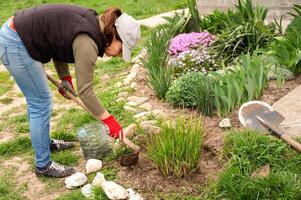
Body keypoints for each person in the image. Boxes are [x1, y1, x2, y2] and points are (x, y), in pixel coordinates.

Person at [0, 4, 141, 178]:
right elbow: (86, 91)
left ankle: (43, 143)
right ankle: (43, 165)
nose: (119, 55)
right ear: (114, 35)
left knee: (38, 100)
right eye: (121, 49)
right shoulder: (88, 41)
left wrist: (65, 78)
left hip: (15, 34)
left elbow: (57, 43)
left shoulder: (93, 24)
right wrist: (109, 120)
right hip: (16, 42)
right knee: (40, 102)